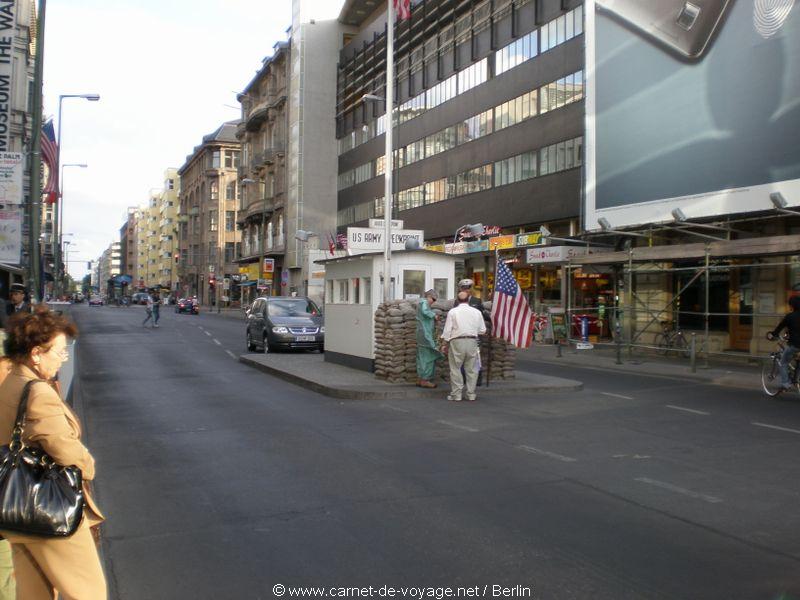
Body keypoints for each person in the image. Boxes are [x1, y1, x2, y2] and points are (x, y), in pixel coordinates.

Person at [0, 308, 106, 599]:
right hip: (48, 508)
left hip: (17, 510)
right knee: (89, 593)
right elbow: (64, 449)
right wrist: (88, 466)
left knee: (34, 593)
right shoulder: (37, 391)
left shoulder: (11, 382)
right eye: (59, 352)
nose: (64, 358)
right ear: (36, 353)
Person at [441, 291, 486, 402]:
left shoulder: (453, 312)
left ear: (457, 300)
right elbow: (482, 330)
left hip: (457, 341)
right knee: (471, 369)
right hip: (472, 341)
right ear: (468, 300)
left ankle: (457, 394)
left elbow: (447, 330)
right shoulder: (476, 312)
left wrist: (444, 344)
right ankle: (471, 394)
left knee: (455, 368)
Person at [453, 279, 491, 386]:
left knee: (475, 358)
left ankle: (476, 380)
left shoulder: (476, 301)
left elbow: (482, 315)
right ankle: (463, 380)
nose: (466, 290)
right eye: (464, 287)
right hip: (460, 334)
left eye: (469, 287)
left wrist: (493, 319)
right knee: (461, 359)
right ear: (460, 289)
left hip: (475, 334)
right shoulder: (457, 302)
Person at [768, 295, 800, 390]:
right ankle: (795, 379)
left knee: (783, 362)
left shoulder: (789, 317)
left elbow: (778, 328)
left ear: (792, 306)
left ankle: (786, 384)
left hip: (795, 345)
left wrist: (772, 334)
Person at [415, 289, 444, 388]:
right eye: (433, 299)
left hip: (422, 335)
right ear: (428, 296)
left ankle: (420, 378)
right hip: (425, 335)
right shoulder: (424, 302)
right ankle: (425, 379)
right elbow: (425, 311)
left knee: (422, 357)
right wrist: (434, 316)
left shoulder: (421, 302)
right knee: (430, 356)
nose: (434, 302)